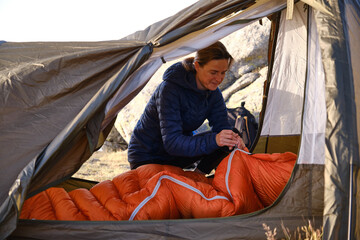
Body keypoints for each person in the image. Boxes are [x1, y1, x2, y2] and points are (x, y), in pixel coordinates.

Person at [127, 41, 245, 174]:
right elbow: (172, 143)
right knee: (219, 139)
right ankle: (192, 181)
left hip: (175, 155)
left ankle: (198, 176)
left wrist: (234, 139)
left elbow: (222, 127)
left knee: (229, 137)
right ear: (197, 66)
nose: (219, 79)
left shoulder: (213, 93)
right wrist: (215, 139)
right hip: (148, 157)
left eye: (223, 72)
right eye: (214, 72)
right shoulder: (169, 89)